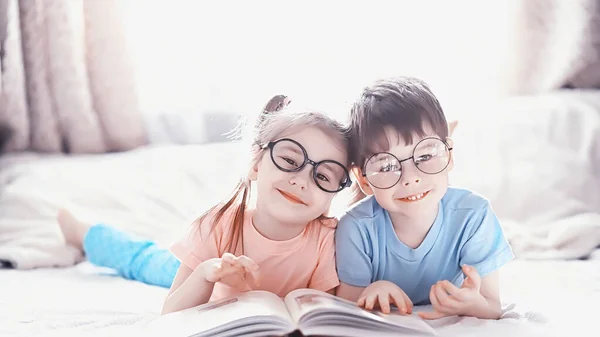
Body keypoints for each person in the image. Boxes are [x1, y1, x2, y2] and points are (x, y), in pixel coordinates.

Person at [58, 95, 353, 315]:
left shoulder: (328, 240)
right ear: (255, 163)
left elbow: (318, 314)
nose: (302, 180)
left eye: (323, 176)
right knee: (144, 261)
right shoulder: (216, 225)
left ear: (332, 194)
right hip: (201, 265)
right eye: (289, 160)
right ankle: (85, 233)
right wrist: (206, 274)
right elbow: (170, 313)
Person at [334, 76, 514, 320]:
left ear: (448, 156)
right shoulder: (355, 228)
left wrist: (471, 304)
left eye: (426, 156)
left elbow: (492, 306)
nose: (410, 178)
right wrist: (372, 293)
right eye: (386, 166)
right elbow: (346, 307)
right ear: (363, 179)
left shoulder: (474, 215)